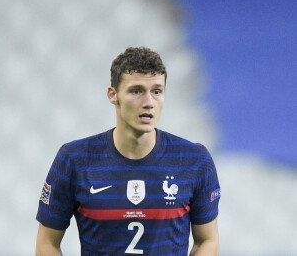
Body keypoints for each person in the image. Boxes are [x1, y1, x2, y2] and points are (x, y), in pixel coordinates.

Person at [36, 47, 221, 256]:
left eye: (157, 91)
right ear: (113, 95)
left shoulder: (194, 160)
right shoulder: (74, 160)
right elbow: (47, 244)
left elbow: (207, 241)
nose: (149, 103)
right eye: (136, 91)